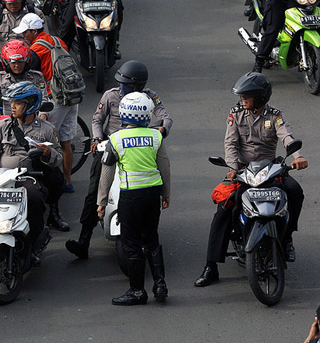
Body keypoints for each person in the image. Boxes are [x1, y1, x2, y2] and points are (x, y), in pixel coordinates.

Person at [194, 72, 307, 288]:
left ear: (260, 97)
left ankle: (287, 236)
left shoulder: (275, 116)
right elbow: (230, 144)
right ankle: (211, 266)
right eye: (242, 96)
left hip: (271, 169)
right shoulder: (235, 114)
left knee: (294, 191)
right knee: (224, 209)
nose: (242, 100)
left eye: (247, 96)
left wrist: (297, 157)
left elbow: (287, 136)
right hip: (243, 171)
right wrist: (232, 168)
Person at [65, 60, 172, 260]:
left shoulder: (150, 97)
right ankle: (84, 240)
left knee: (149, 184)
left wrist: (162, 129)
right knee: (94, 191)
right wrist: (97, 138)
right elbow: (97, 119)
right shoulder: (110, 95)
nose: (121, 86)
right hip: (111, 147)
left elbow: (166, 117)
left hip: (139, 147)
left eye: (126, 84)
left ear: (137, 86)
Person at [0, 81, 63, 270]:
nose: (12, 106)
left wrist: (47, 153)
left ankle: (31, 247)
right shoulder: (4, 125)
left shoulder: (46, 130)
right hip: (1, 178)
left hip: (29, 178)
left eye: (18, 103)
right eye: (12, 102)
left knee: (36, 202)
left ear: (30, 105)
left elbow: (59, 158)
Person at [96, 92, 171, 305]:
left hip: (130, 197)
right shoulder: (156, 136)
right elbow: (165, 167)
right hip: (152, 195)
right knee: (152, 238)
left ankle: (137, 291)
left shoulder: (115, 139)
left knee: (131, 243)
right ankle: (160, 285)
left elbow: (107, 173)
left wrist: (101, 202)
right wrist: (166, 194)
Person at [16, 13, 76, 195]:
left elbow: (32, 77)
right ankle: (67, 181)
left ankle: (50, 184)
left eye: (25, 33)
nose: (23, 36)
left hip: (54, 99)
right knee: (65, 142)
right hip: (72, 95)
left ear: (34, 31)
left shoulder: (36, 49)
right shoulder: (57, 40)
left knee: (45, 141)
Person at [0, 40, 49, 163]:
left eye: (20, 62)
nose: (17, 65)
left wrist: (42, 119)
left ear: (26, 61)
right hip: (6, 124)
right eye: (13, 62)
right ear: (6, 62)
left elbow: (44, 100)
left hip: (31, 125)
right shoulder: (0, 77)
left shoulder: (36, 78)